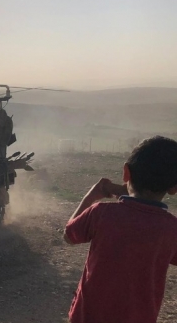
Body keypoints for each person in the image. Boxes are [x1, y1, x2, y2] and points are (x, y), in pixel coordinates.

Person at [63, 136, 177, 323]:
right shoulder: (171, 228)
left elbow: (69, 235)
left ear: (126, 173)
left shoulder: (101, 213)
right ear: (173, 188)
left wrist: (91, 196)